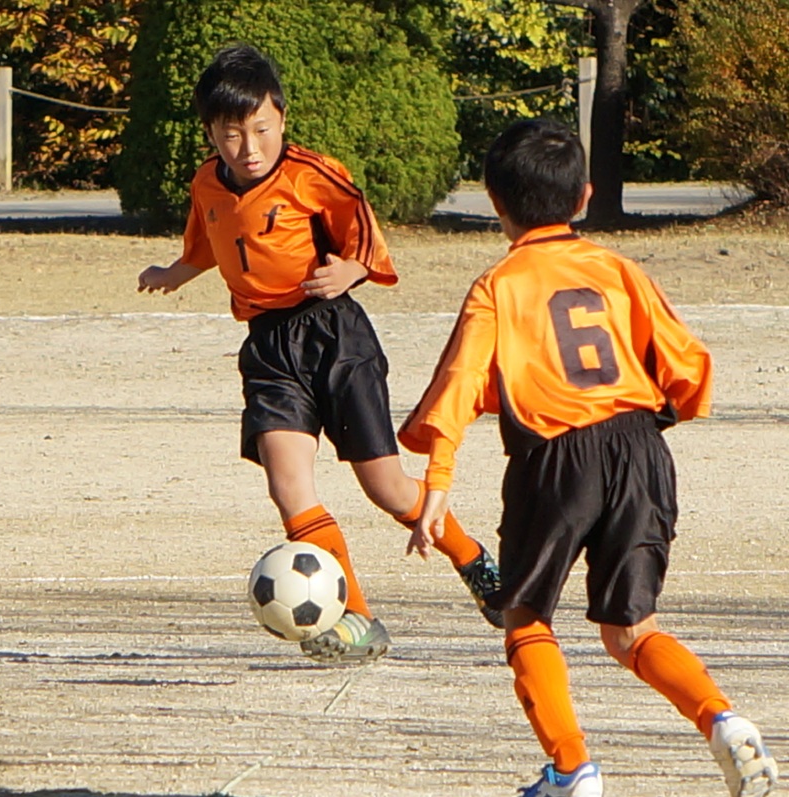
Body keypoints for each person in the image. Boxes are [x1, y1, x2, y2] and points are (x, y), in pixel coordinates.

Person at [400, 118, 778, 797]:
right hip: (639, 448)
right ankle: (721, 719)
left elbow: (458, 386)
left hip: (555, 458)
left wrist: (438, 481)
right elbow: (688, 364)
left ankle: (572, 767)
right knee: (630, 630)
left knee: (524, 616)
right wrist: (659, 416)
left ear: (495, 202)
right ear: (584, 197)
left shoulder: (498, 285)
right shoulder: (619, 269)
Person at [137, 43, 503, 663]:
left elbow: (364, 229)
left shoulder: (312, 174)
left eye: (261, 129)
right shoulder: (206, 183)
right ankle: (355, 618)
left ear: (281, 117)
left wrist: (352, 270)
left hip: (334, 336)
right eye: (232, 134)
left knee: (387, 489)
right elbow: (212, 242)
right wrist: (175, 272)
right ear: (211, 134)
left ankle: (474, 561)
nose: (249, 147)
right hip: (268, 348)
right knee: (288, 488)